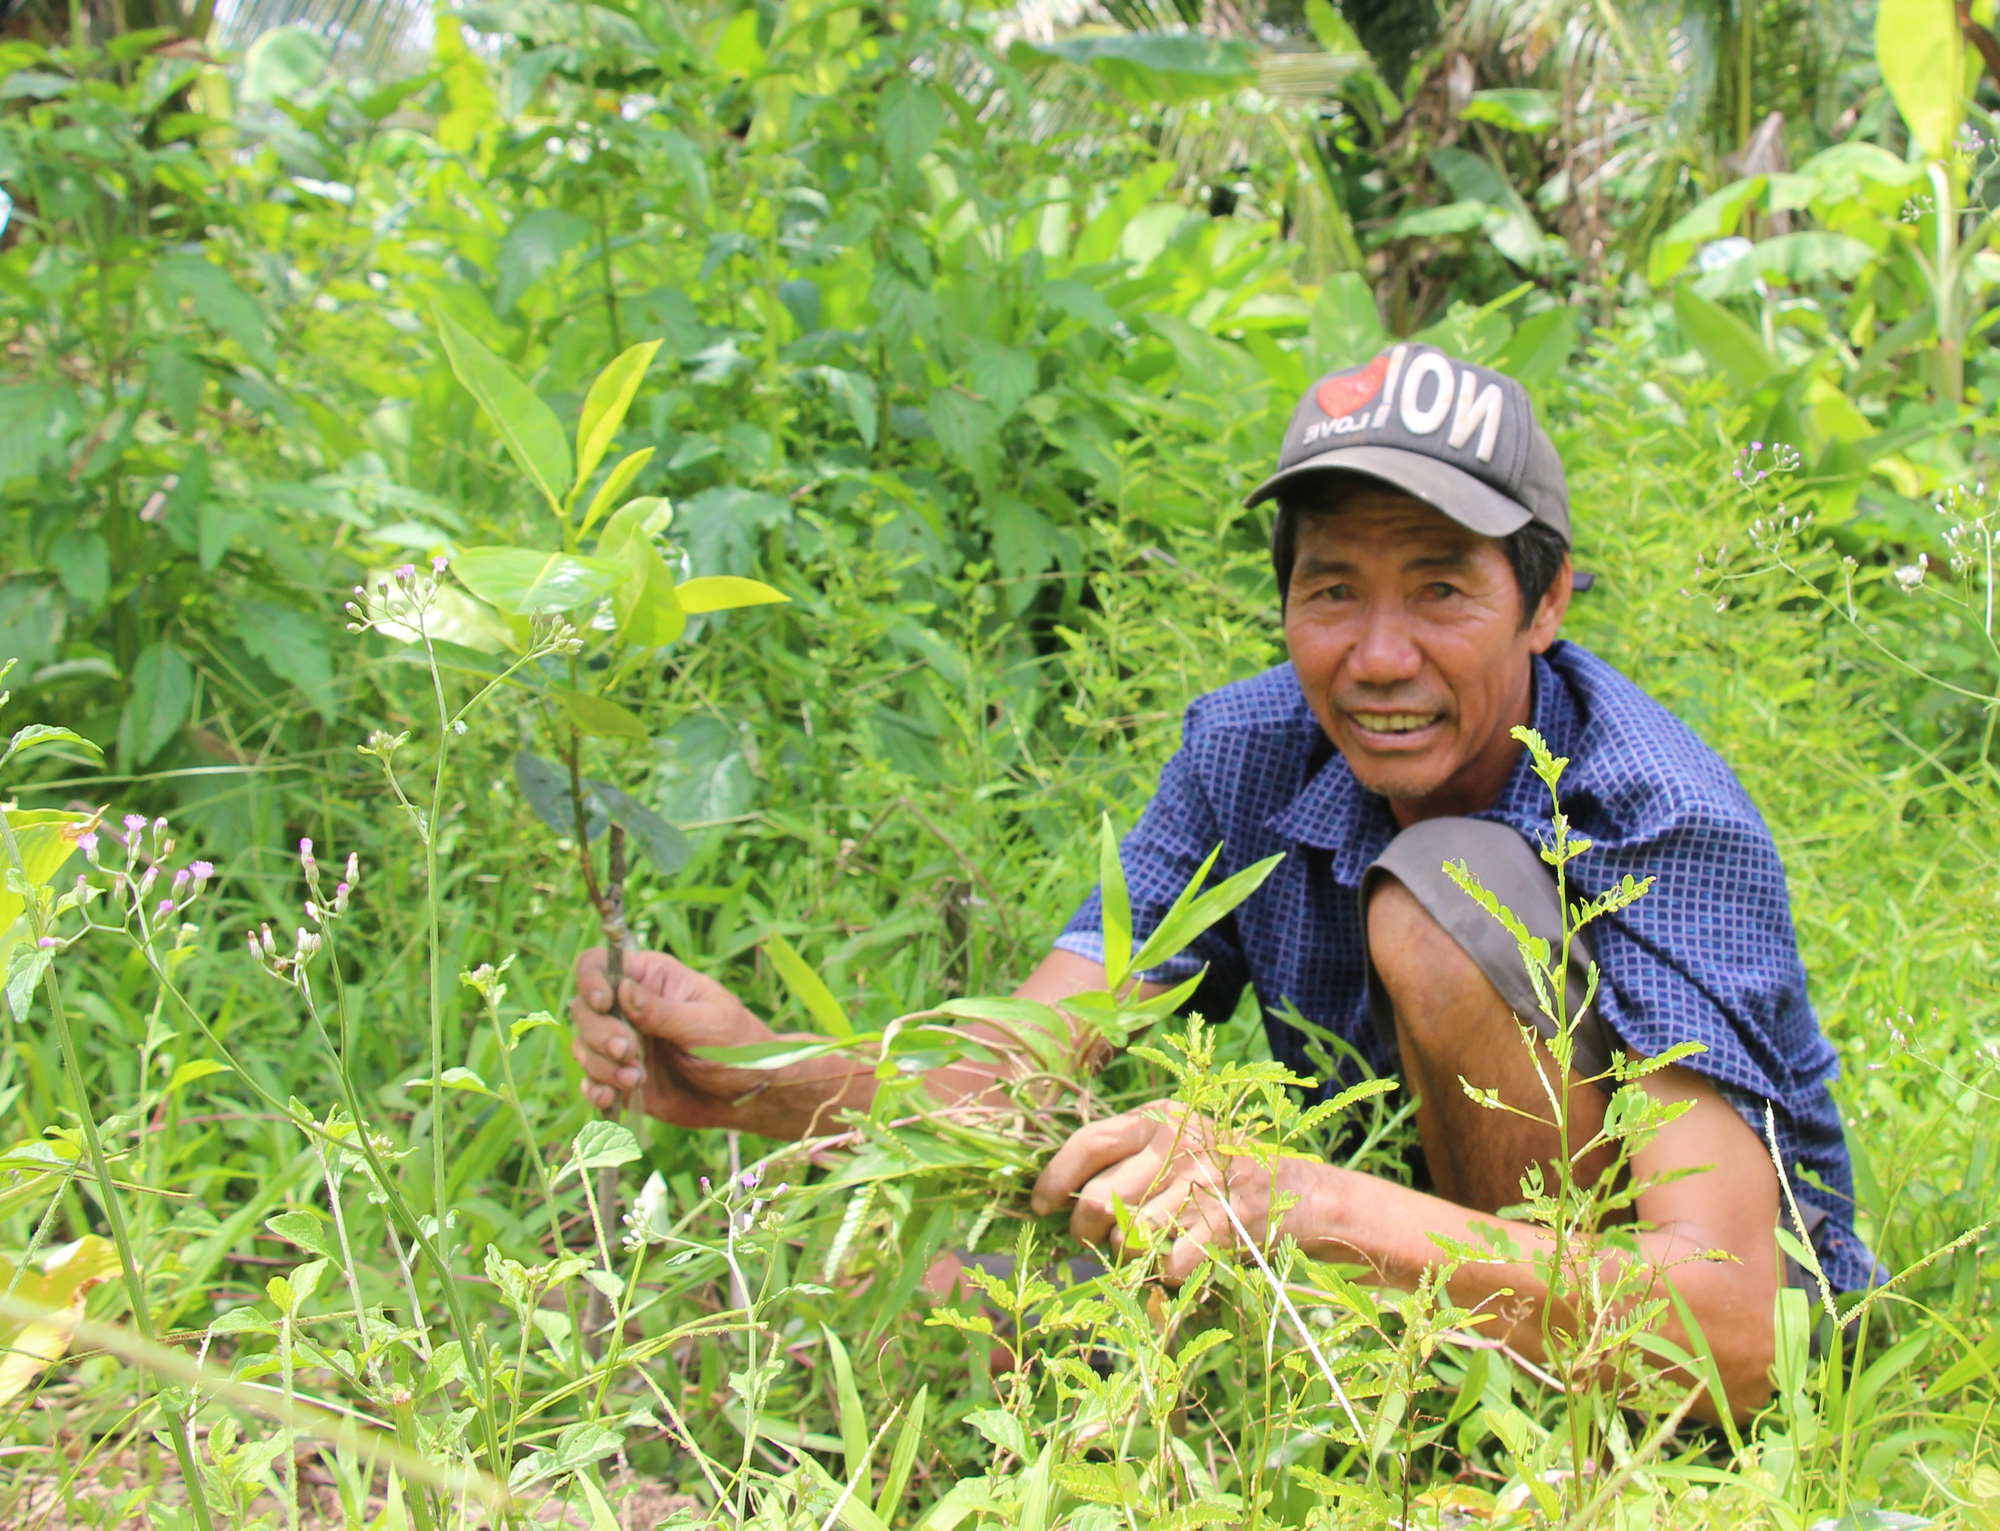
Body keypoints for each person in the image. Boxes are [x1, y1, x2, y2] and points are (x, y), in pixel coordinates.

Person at [569, 343, 1873, 1422]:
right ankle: (1424, 1404)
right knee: (966, 1306)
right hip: (1418, 1287)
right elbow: (1013, 1075)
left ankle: (1531, 1437)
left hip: (1708, 1380)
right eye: (1331, 590)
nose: (1377, 655)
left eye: (1440, 590)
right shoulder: (1250, 755)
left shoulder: (1657, 812)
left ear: (1545, 603)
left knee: (1448, 899)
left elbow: (1737, 1324)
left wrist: (1294, 1201)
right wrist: (758, 1076)